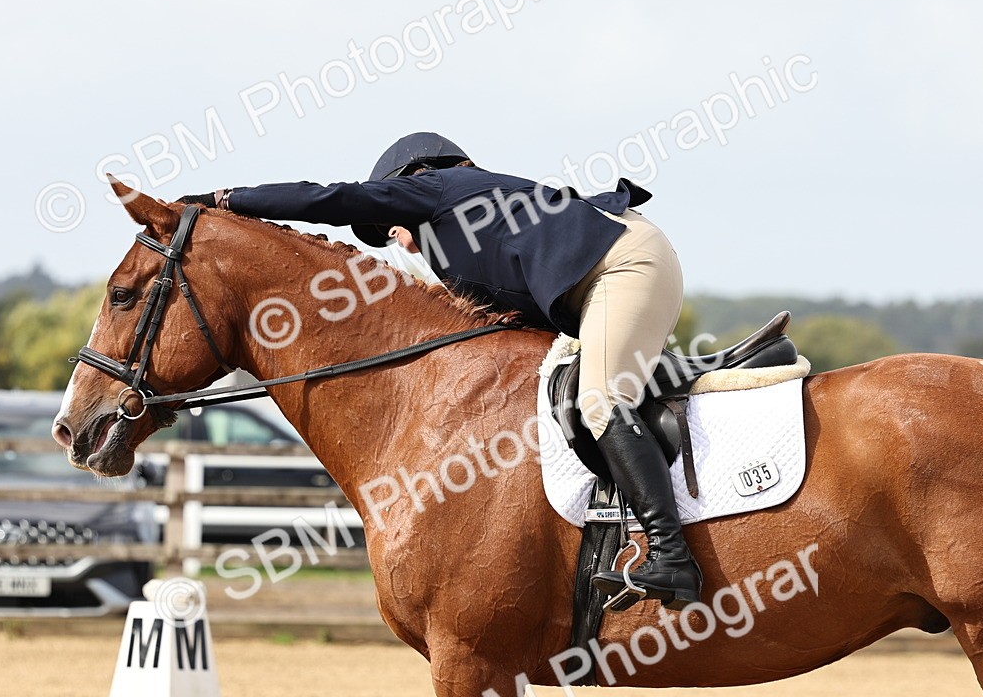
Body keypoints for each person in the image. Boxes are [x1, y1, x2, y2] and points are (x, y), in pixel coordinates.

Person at [178, 132, 702, 609]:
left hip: (624, 266)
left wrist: (224, 202)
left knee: (599, 401)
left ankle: (672, 556)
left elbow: (329, 199)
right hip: (608, 275)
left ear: (411, 181)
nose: (399, 242)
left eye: (393, 227)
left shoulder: (439, 188)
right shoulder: (473, 232)